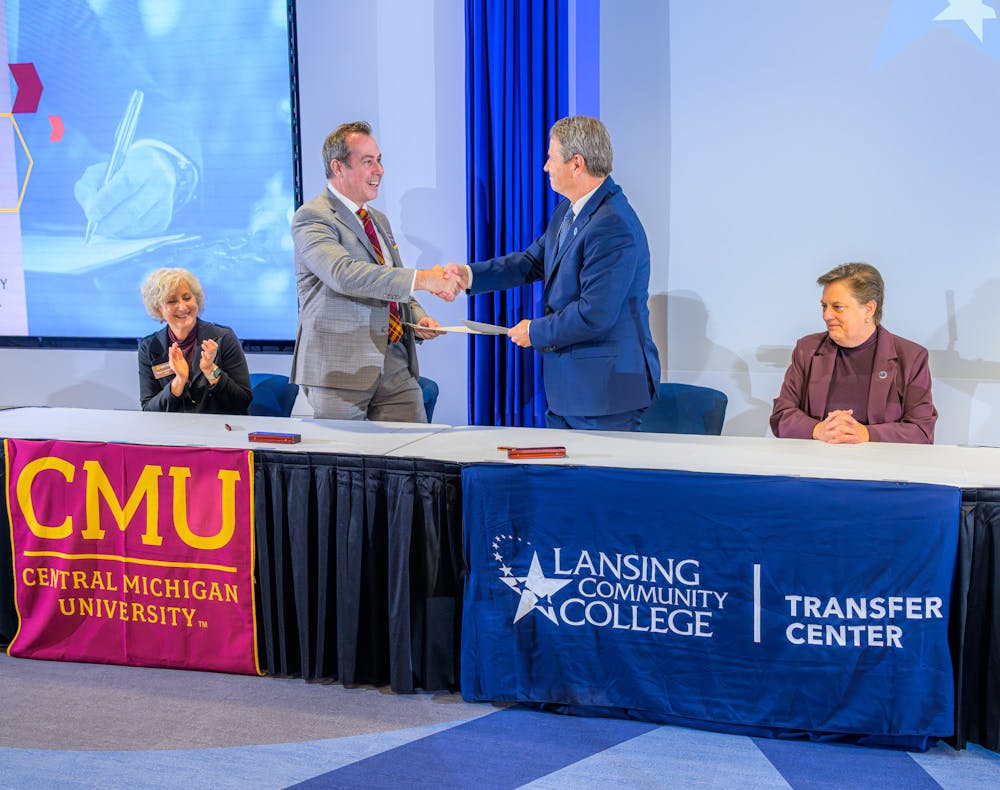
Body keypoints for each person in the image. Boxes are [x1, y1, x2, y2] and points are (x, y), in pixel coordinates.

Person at [444, 115, 660, 431]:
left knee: (596, 467)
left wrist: (535, 331)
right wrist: (469, 275)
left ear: (576, 164)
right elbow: (532, 262)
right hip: (572, 391)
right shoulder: (569, 210)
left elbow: (594, 314)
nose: (546, 167)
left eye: (551, 158)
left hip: (605, 394)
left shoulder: (613, 224)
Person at [290, 121, 458, 422]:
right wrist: (423, 279)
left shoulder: (378, 219)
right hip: (339, 370)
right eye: (368, 161)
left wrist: (418, 318)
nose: (379, 170)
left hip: (394, 361)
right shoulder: (312, 217)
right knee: (346, 454)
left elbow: (390, 279)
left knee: (416, 449)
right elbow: (343, 274)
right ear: (338, 167)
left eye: (379, 160)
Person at [770, 262, 937, 444]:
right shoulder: (807, 350)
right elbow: (781, 416)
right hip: (817, 460)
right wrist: (817, 430)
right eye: (824, 306)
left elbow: (922, 431)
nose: (826, 315)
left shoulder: (911, 358)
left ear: (869, 309)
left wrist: (865, 434)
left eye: (837, 307)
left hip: (881, 461)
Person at [138, 267, 252, 414]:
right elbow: (149, 409)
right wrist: (179, 381)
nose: (182, 307)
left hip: (219, 426)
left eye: (187, 298)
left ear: (196, 300)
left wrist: (211, 370)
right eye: (172, 301)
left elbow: (242, 401)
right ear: (158, 309)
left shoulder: (223, 338)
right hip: (173, 427)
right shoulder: (149, 347)